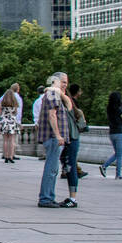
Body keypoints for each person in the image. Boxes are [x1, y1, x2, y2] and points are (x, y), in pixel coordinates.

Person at [36, 73, 75, 208]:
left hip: (55, 138)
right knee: (51, 168)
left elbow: (69, 107)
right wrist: (58, 135)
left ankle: (49, 197)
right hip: (53, 138)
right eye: (63, 82)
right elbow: (52, 115)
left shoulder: (55, 94)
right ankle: (46, 198)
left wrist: (61, 92)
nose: (65, 84)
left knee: (54, 168)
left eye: (66, 82)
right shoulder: (52, 94)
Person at [100, 90, 122, 179]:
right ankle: (117, 174)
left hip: (112, 132)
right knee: (120, 155)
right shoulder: (119, 109)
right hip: (119, 132)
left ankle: (105, 166)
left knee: (117, 153)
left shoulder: (109, 108)